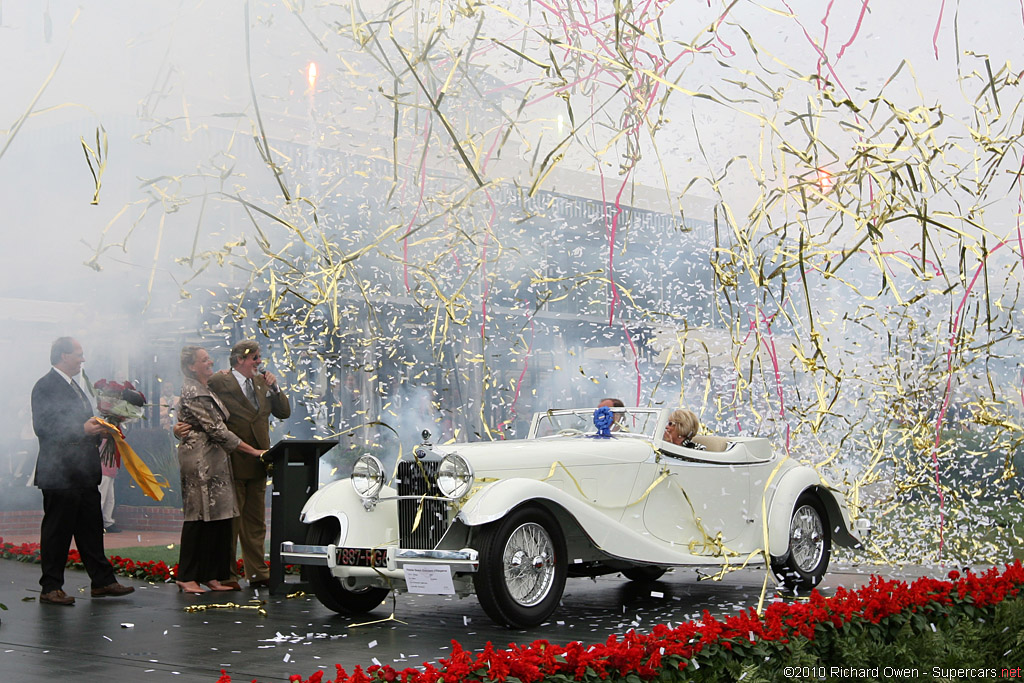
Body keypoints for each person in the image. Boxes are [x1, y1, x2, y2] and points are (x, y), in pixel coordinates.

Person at [30, 337, 134, 605]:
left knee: (91, 528)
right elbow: (43, 427)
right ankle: (50, 587)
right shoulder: (45, 386)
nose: (82, 359)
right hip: (60, 473)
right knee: (57, 531)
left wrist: (101, 431)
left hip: (83, 471)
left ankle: (103, 581)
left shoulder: (75, 386)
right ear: (63, 356)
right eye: (79, 354)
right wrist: (83, 429)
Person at [179, 340, 290, 589]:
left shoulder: (263, 383)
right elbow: (198, 414)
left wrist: (276, 388)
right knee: (229, 522)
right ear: (240, 359)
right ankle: (226, 573)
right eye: (255, 357)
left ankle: (258, 571)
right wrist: (179, 428)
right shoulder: (218, 382)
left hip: (259, 461)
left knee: (256, 522)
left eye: (260, 357)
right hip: (231, 461)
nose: (259, 362)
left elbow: (284, 412)